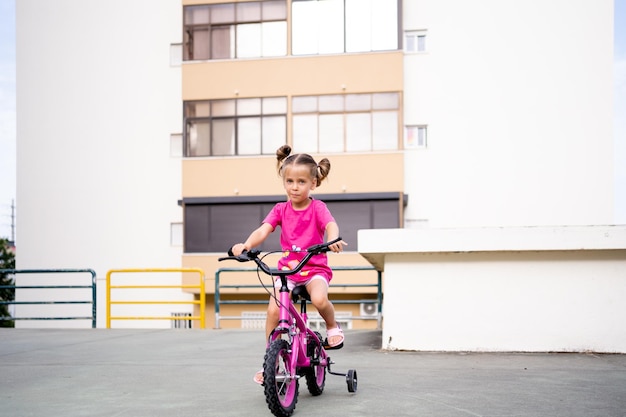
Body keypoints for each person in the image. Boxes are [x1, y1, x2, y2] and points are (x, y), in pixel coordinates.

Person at [230, 144, 347, 385]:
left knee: (319, 300)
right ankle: (270, 360)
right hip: (288, 270)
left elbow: (330, 225)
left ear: (313, 183)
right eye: (290, 181)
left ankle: (333, 327)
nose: (295, 187)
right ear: (284, 181)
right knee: (274, 310)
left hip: (314, 268)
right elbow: (264, 230)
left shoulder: (318, 207)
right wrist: (245, 245)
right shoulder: (281, 209)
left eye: (301, 182)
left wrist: (332, 239)